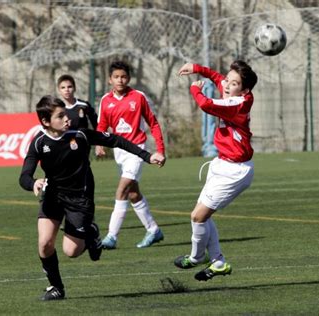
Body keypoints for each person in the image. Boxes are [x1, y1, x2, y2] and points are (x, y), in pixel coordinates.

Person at [19, 95, 165, 301]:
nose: (67, 119)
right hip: (53, 196)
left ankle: (91, 232)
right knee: (44, 244)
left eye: (66, 114)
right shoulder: (39, 143)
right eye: (60, 116)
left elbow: (116, 139)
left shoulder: (80, 135)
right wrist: (33, 183)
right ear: (45, 122)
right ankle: (56, 287)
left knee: (71, 251)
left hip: (80, 199)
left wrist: (147, 156)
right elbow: (24, 176)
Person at [173, 60, 257, 281]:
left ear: (245, 89)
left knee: (197, 216)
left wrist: (194, 89)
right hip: (221, 163)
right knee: (203, 216)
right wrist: (198, 68)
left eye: (234, 83)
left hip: (236, 171)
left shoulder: (239, 103)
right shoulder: (231, 89)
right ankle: (218, 261)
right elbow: (217, 78)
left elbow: (206, 105)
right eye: (228, 80)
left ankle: (196, 257)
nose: (227, 85)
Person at [95, 61, 166, 249]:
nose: (120, 80)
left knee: (122, 190)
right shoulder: (105, 101)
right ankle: (153, 230)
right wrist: (99, 145)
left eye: (124, 76)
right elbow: (102, 126)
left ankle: (111, 236)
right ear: (110, 80)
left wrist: (160, 150)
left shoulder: (138, 97)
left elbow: (154, 123)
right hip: (120, 152)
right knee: (134, 193)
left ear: (129, 78)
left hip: (137, 150)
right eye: (116, 77)